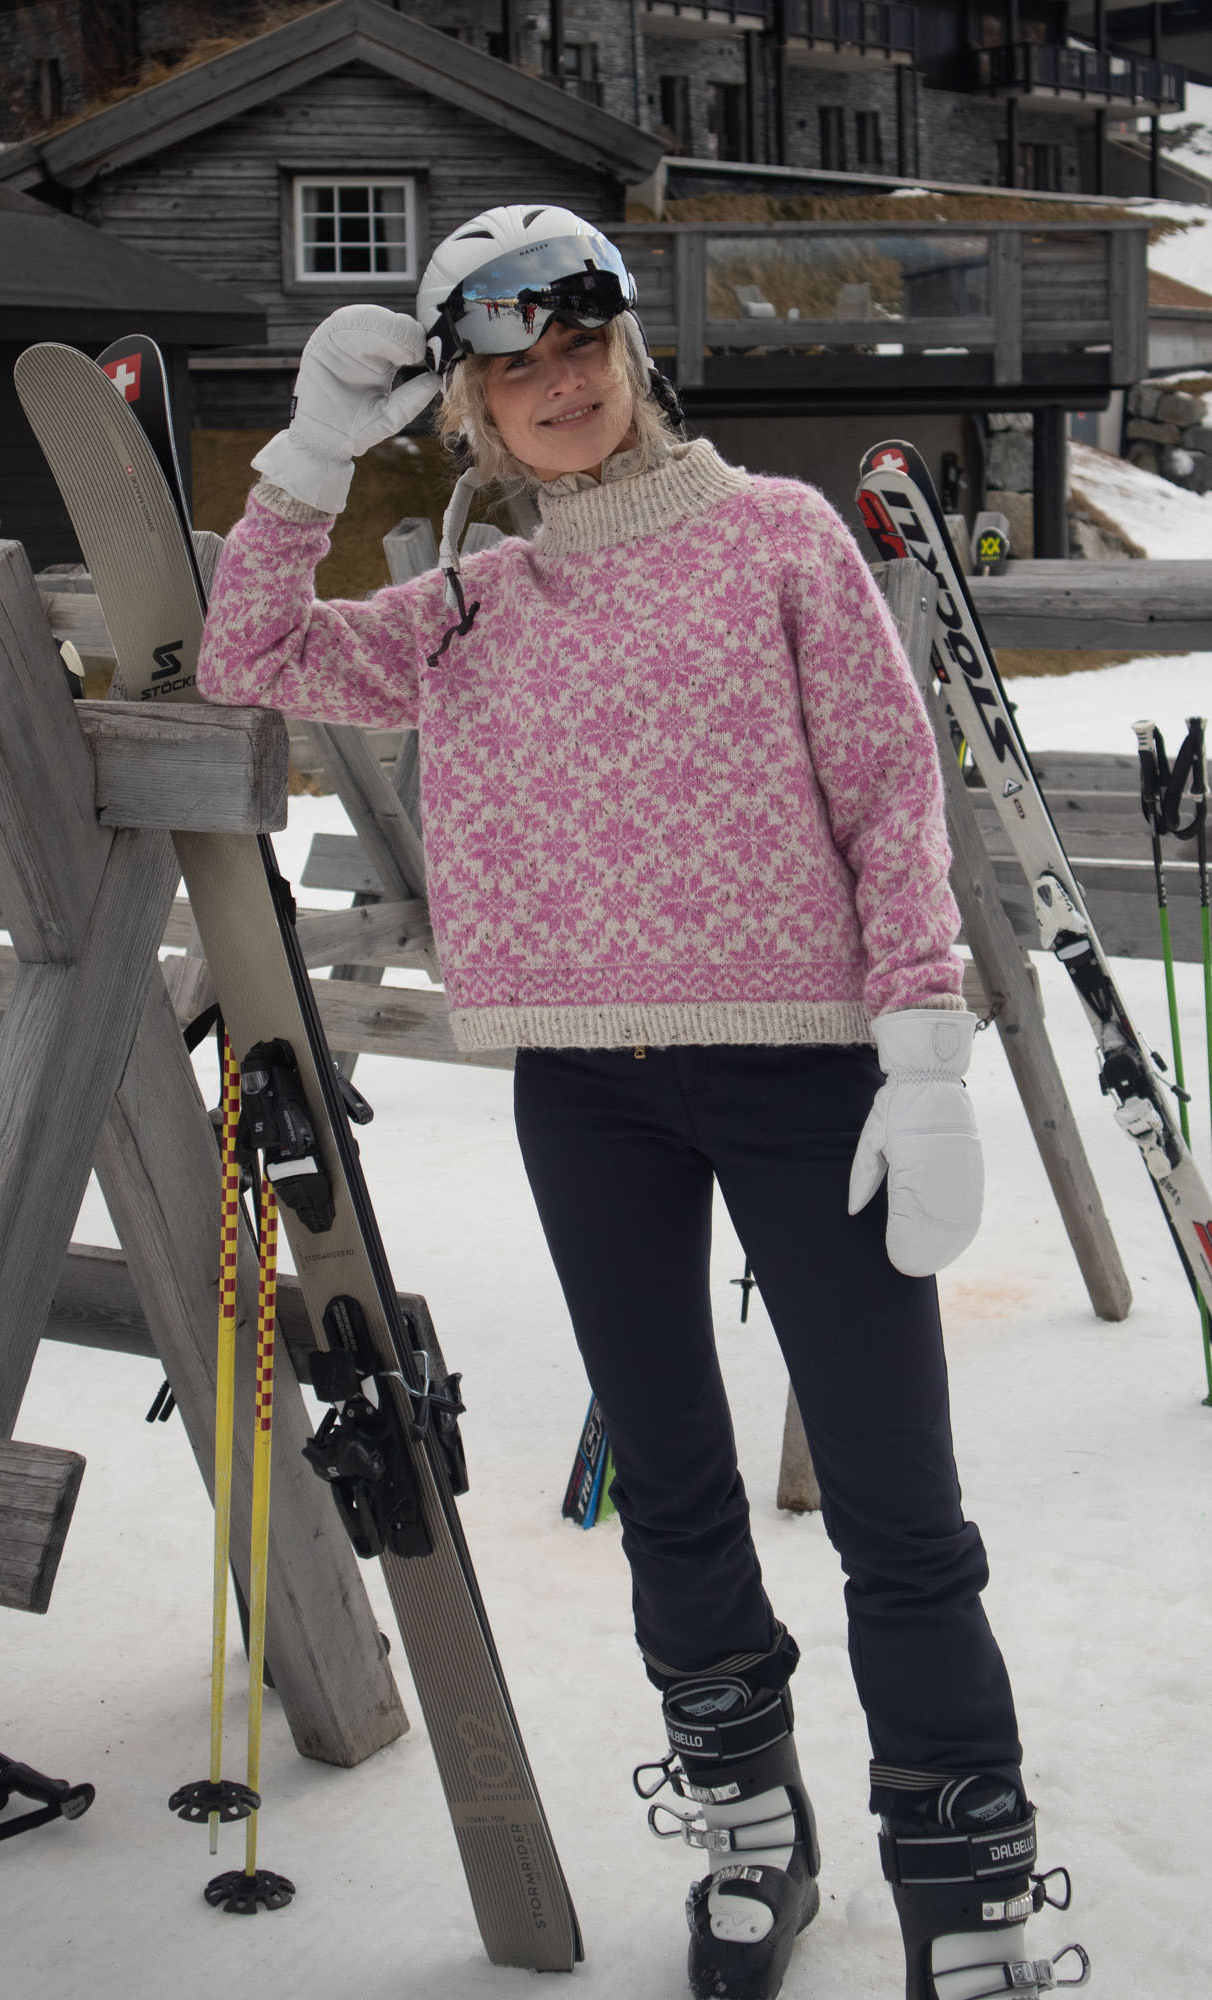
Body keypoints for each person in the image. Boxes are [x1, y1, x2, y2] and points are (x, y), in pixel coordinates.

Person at [197, 206, 1088, 2000]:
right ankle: (751, 1834)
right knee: (671, 1492)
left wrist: (921, 1046)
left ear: (630, 353)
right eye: (515, 368)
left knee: (898, 1508)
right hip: (586, 1095)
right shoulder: (471, 604)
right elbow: (252, 659)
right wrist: (308, 456)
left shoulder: (777, 540)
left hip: (807, 1081)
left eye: (582, 348)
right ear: (466, 403)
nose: (560, 385)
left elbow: (885, 794)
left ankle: (967, 1889)